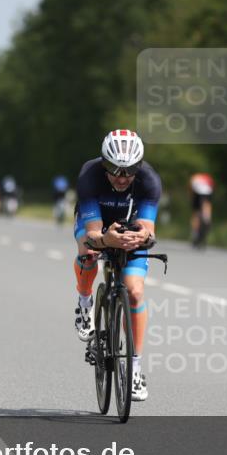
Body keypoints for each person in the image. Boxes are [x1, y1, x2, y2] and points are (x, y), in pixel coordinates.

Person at [72, 129, 160, 402]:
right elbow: (92, 233)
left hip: (129, 225)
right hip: (96, 222)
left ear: (139, 167)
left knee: (134, 291)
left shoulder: (149, 180)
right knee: (88, 252)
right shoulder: (89, 175)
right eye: (114, 171)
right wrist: (105, 240)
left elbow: (148, 230)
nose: (122, 178)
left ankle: (134, 368)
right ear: (104, 163)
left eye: (129, 171)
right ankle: (84, 302)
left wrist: (142, 237)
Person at [189, 172, 215, 249]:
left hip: (198, 193)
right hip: (208, 192)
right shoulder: (208, 178)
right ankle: (207, 219)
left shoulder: (194, 178)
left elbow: (191, 190)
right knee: (206, 209)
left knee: (196, 213)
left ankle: (195, 234)